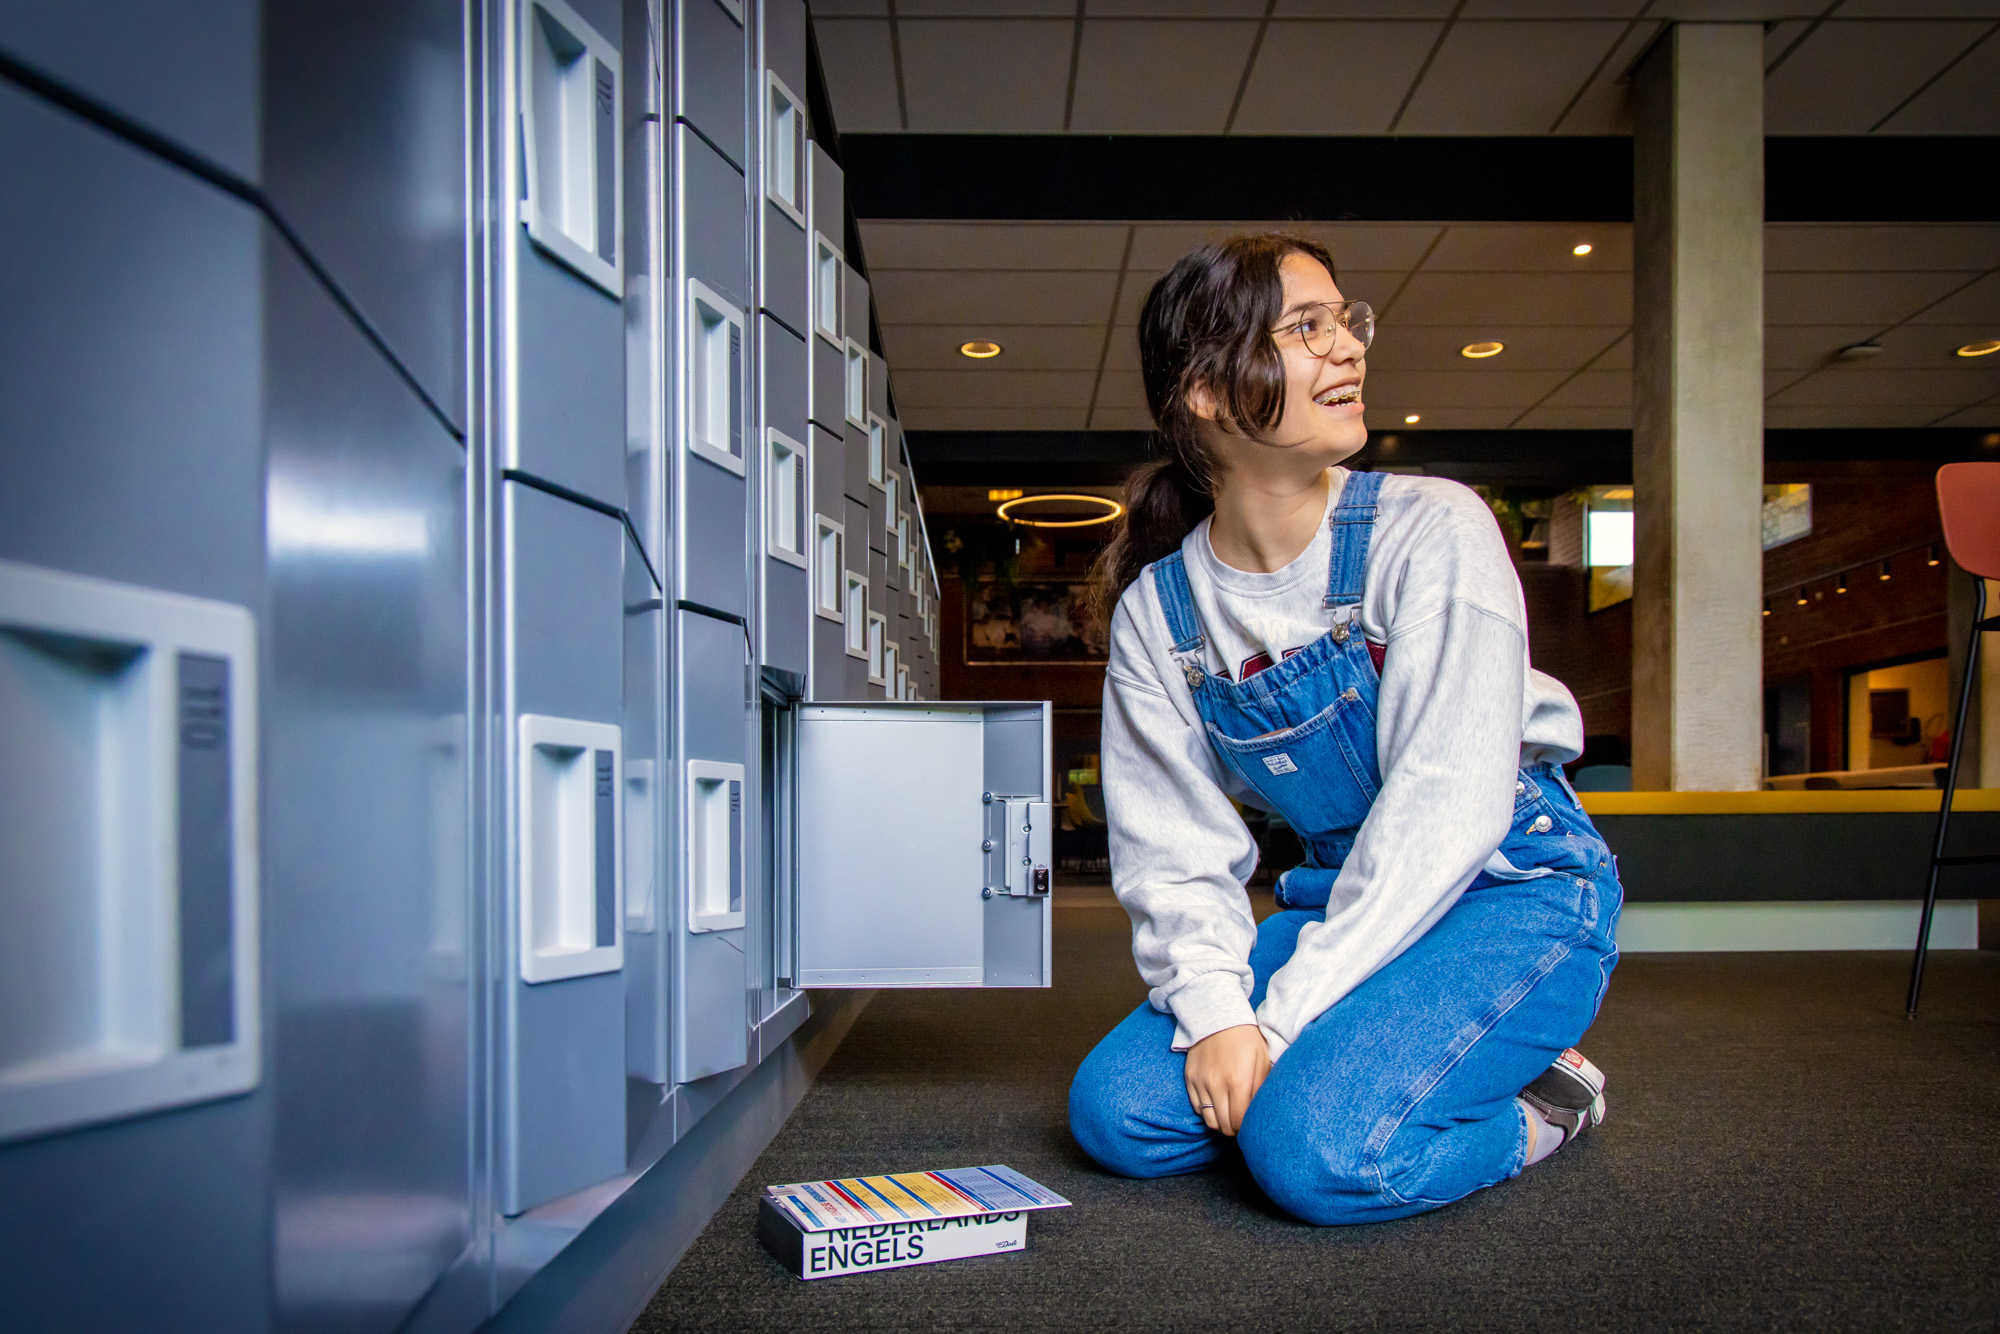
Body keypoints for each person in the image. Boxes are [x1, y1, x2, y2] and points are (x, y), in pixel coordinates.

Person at [1067, 234, 1623, 1225]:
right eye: (1306, 327)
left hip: (1510, 890)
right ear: (1204, 388)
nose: (1350, 349)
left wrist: (1272, 1027)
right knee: (1116, 1114)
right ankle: (1375, 1061)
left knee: (1313, 1151)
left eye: (1346, 322)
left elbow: (1441, 815)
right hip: (1338, 901)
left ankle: (1544, 1102)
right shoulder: (1160, 613)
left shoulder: (1431, 526)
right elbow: (1171, 853)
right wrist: (1214, 1013)